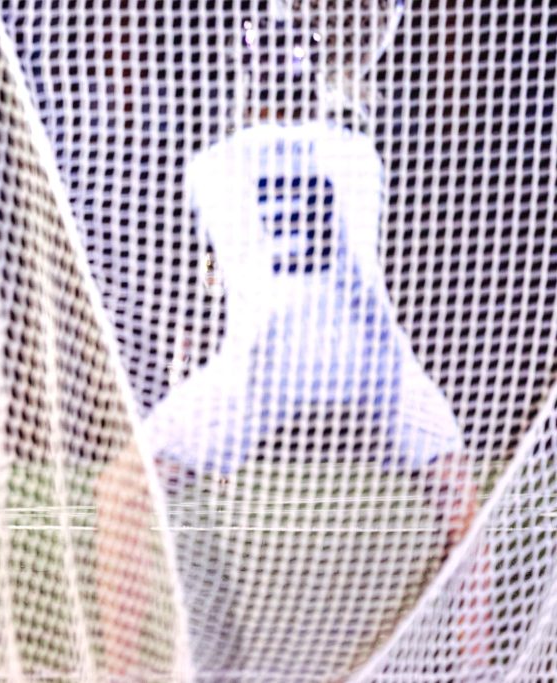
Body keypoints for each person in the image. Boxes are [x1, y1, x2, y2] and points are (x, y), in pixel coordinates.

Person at [94, 3, 485, 676]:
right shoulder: (359, 155)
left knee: (120, 496)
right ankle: (477, 665)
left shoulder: (212, 168)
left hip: (266, 362)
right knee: (461, 508)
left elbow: (216, 259)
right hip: (372, 355)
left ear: (247, 77)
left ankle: (124, 673)